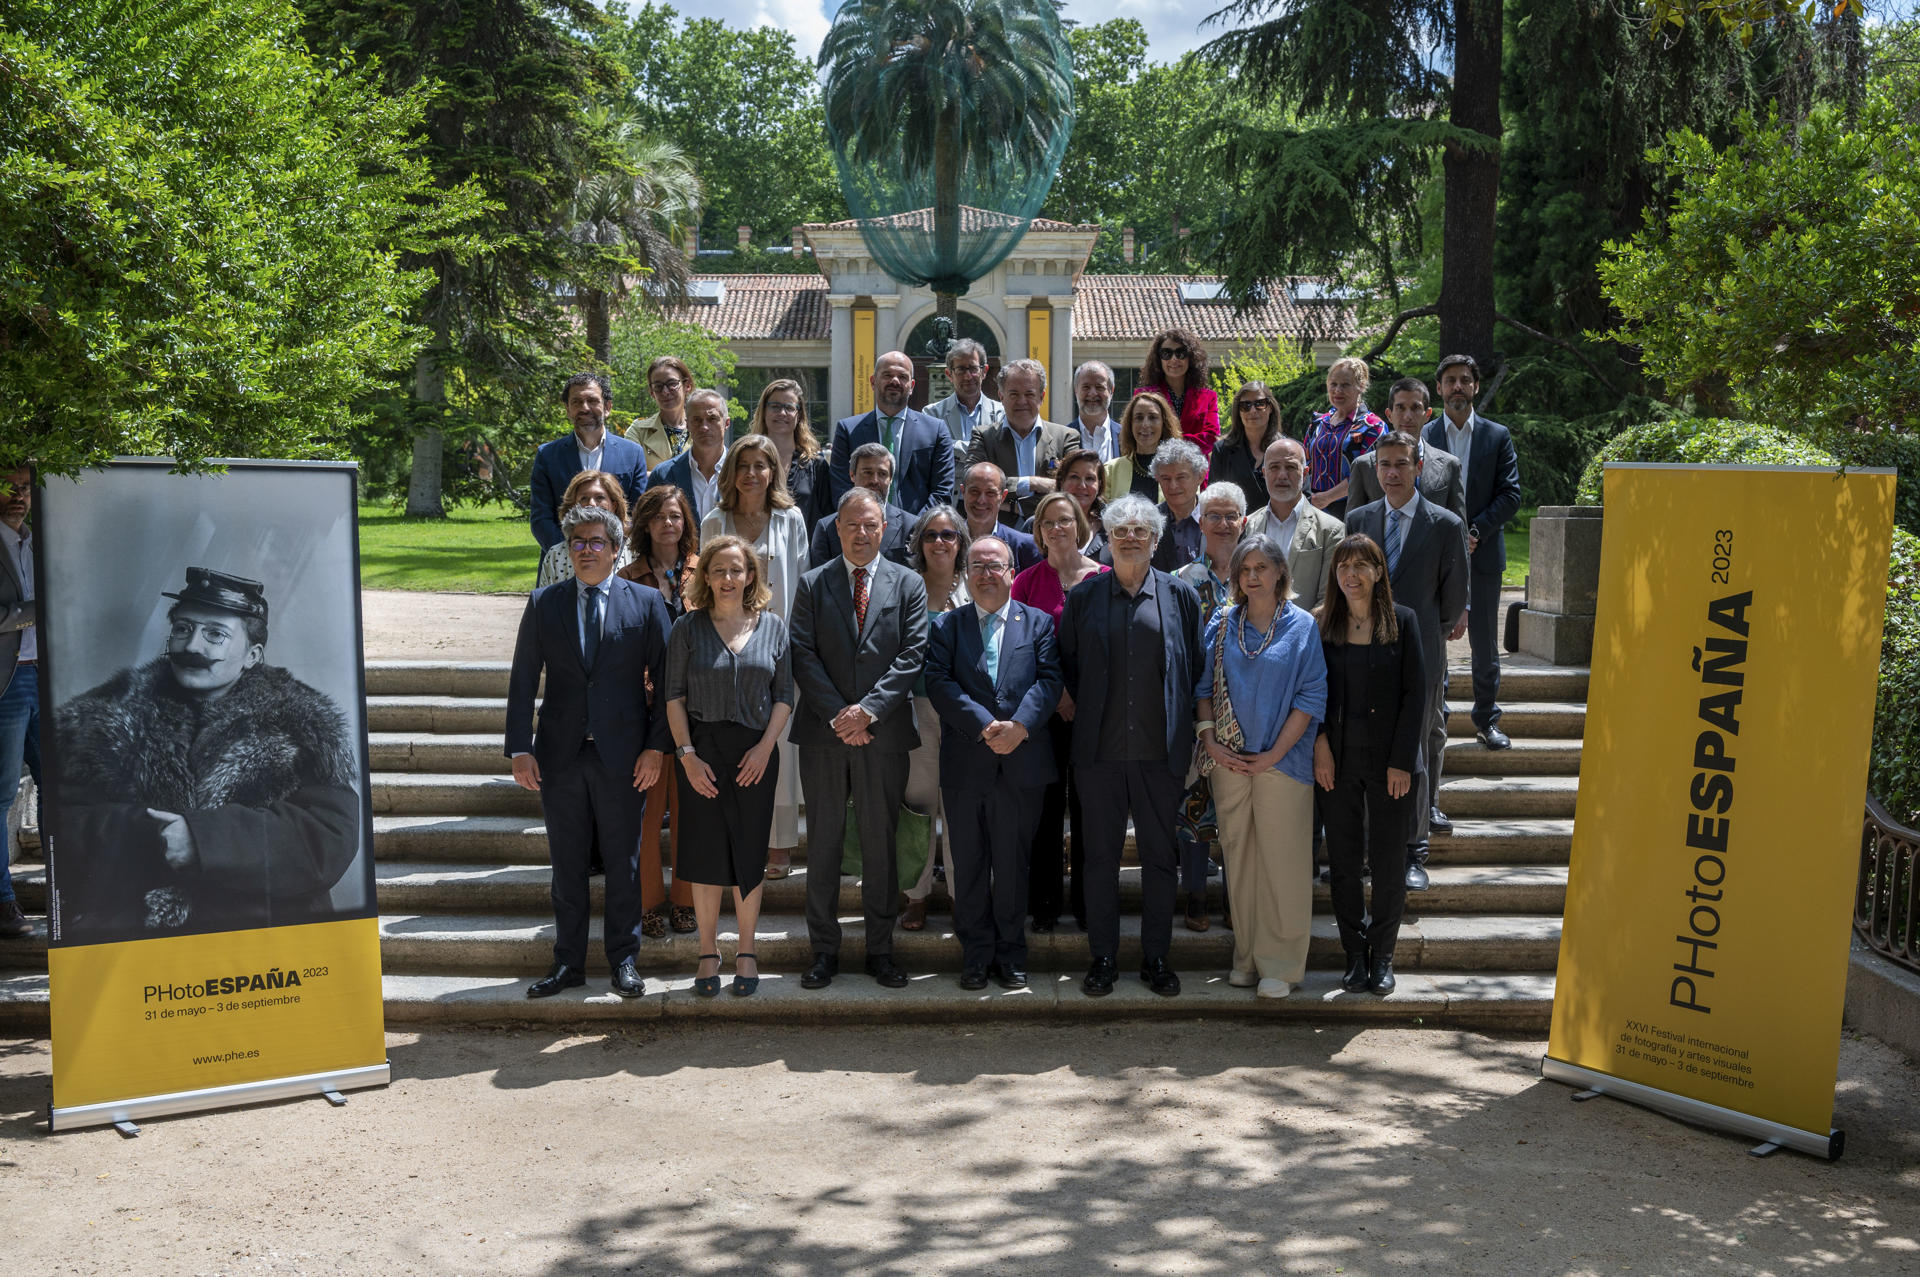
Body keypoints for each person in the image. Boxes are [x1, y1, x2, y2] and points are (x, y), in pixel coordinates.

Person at [54, 568, 359, 945]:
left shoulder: (302, 724)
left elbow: (328, 838)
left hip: (265, 946)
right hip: (139, 947)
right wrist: (150, 836)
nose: (192, 646)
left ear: (252, 655)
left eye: (215, 634)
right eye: (183, 629)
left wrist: (205, 842)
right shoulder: (104, 716)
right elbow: (64, 824)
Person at [507, 507, 671, 998]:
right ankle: (567, 964)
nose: (585, 549)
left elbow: (667, 685)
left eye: (596, 541)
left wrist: (656, 748)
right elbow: (521, 682)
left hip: (624, 757)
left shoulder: (644, 603)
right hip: (560, 756)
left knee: (624, 863)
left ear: (615, 549)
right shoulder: (544, 603)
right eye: (577, 541)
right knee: (567, 865)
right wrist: (519, 747)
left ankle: (624, 959)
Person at [1059, 494, 1204, 997]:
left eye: (1141, 530)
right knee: (1098, 858)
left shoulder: (1180, 596)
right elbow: (1067, 668)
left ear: (1155, 539)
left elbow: (1195, 670)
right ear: (1108, 537)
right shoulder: (1084, 597)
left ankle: (1156, 957)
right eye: (1121, 529)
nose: (1130, 536)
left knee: (1161, 859)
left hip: (1160, 754)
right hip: (1097, 754)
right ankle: (1102, 958)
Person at [790, 487, 930, 990]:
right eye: (853, 524)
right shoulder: (811, 584)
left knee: (880, 846)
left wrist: (868, 712)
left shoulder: (908, 584)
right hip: (825, 736)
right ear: (836, 528)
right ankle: (824, 951)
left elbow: (912, 654)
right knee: (823, 846)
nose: (863, 532)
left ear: (885, 528)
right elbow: (801, 654)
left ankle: (880, 949)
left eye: (871, 524)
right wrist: (840, 716)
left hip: (884, 735)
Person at [925, 536, 1063, 990]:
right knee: (968, 864)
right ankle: (976, 955)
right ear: (966, 573)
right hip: (967, 763)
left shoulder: (1039, 624)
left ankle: (1010, 954)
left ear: (1011, 571)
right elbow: (939, 683)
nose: (987, 573)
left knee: (1012, 864)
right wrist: (986, 726)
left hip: (1022, 764)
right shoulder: (947, 626)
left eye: (995, 565)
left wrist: (1019, 727)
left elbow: (1049, 681)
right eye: (978, 565)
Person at [1195, 534, 1327, 999]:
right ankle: (1247, 958)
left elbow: (1312, 697)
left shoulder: (1301, 627)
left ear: (1280, 574)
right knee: (1241, 861)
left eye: (1261, 568)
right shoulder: (1222, 622)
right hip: (1228, 761)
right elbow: (1202, 688)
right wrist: (1210, 742)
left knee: (1283, 863)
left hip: (1283, 762)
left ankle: (1282, 965)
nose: (1252, 577)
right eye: (1244, 570)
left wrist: (1272, 754)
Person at [664, 535, 795, 998]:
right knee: (703, 855)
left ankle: (745, 949)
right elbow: (673, 697)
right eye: (718, 570)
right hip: (701, 753)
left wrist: (764, 749)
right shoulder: (687, 628)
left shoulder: (774, 627)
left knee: (749, 854)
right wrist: (687, 757)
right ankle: (706, 950)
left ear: (751, 575)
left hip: (755, 755)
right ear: (705, 577)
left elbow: (784, 697)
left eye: (736, 569)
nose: (727, 578)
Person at [1343, 431, 1468, 892]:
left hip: (1419, 655)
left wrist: (1421, 637)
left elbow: (1453, 602)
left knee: (1413, 747)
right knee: (1364, 746)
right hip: (1361, 652)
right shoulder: (1358, 519)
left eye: (1401, 463)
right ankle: (1369, 847)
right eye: (1384, 465)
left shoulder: (1445, 524)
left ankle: (1414, 849)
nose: (1392, 473)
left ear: (1418, 466)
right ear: (1375, 469)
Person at [1313, 534, 1426, 997]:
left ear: (1379, 572)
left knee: (1387, 862)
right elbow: (1312, 692)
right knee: (1342, 862)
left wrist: (1402, 761)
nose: (1351, 575)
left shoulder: (1403, 622)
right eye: (1343, 566)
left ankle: (1383, 956)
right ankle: (1354, 955)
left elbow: (1415, 695)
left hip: (1389, 765)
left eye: (1362, 566)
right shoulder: (1323, 626)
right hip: (1336, 762)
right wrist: (1320, 745)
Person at [702, 434, 810, 882]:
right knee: (730, 742)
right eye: (743, 465)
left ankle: (780, 843)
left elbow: (802, 585)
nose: (751, 473)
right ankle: (734, 836)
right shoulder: (714, 520)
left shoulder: (791, 519)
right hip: (726, 643)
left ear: (773, 473)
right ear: (732, 472)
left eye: (760, 466)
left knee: (778, 746)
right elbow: (703, 585)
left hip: (776, 645)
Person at [1011, 491, 1109, 933]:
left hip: (1096, 715)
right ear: (1038, 530)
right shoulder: (1026, 582)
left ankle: (1090, 906)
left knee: (1091, 810)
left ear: (1080, 525)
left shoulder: (1105, 578)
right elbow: (1019, 649)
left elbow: (1112, 649)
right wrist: (1057, 696)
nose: (1057, 528)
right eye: (1048, 521)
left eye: (1065, 520)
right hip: (1042, 715)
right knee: (1045, 812)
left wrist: (1079, 695)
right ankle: (1045, 905)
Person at [1422, 354, 1523, 750]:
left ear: (1476, 387)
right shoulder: (1426, 437)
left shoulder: (1496, 436)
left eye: (1465, 379)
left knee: (1484, 643)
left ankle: (1486, 719)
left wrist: (1474, 530)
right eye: (1450, 380)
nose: (1458, 386)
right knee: (1435, 637)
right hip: (1433, 556)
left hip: (1482, 555)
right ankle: (1437, 717)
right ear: (1440, 388)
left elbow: (1511, 494)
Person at [617, 483, 700, 936]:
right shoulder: (627, 578)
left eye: (676, 516)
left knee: (689, 813)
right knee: (647, 815)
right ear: (644, 524)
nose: (668, 524)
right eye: (659, 517)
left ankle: (685, 901)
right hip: (647, 711)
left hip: (696, 709)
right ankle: (648, 902)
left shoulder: (703, 571)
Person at [1173, 481, 1246, 932]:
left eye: (1230, 515)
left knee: (1240, 812)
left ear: (1243, 520)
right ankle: (1196, 893)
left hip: (1250, 713)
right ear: (1200, 522)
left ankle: (1237, 897)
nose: (1222, 524)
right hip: (1195, 714)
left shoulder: (1259, 572)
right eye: (1213, 516)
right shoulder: (1184, 581)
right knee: (1193, 806)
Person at [899, 505, 970, 930]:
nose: (939, 542)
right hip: (916, 711)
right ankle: (917, 895)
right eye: (930, 535)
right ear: (918, 543)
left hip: (964, 714)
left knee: (960, 808)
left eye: (948, 534)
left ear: (960, 542)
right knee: (920, 806)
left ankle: (964, 894)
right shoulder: (905, 588)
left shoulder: (976, 585)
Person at [531, 372, 651, 554]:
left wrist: (612, 551)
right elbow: (541, 518)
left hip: (617, 563)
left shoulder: (632, 454)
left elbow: (637, 514)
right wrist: (571, 553)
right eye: (577, 402)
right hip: (563, 561)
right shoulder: (547, 455)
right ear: (568, 409)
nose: (584, 408)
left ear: (607, 407)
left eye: (593, 401)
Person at [828, 350, 956, 514]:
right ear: (873, 382)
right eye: (887, 375)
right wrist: (868, 523)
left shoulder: (936, 431)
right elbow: (840, 489)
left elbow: (942, 492)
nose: (894, 381)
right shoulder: (848, 431)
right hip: (864, 530)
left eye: (902, 377)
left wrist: (912, 529)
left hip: (917, 533)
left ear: (912, 386)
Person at [965, 358, 1082, 522]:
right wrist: (1031, 483)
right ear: (1001, 396)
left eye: (1029, 394)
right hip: (998, 535)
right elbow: (972, 482)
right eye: (1014, 394)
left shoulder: (1066, 437)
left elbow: (1073, 488)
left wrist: (1014, 506)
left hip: (1052, 534)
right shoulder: (984, 437)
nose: (1021, 401)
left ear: (1041, 397)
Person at [1349, 377, 1469, 534]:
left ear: (1428, 414)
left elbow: (1459, 529)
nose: (1407, 416)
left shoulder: (1449, 465)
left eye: (1415, 408)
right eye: (1400, 407)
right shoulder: (1363, 465)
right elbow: (1353, 528)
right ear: (1389, 414)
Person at [1246, 437, 1347, 617]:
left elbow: (1328, 599)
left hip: (1307, 638)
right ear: (1264, 472)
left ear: (1306, 472)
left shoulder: (1331, 530)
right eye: (1274, 467)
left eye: (1291, 467)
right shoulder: (1247, 525)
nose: (1282, 475)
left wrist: (1295, 637)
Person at [0, 466, 37, 940]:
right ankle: (4, 903)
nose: (16, 496)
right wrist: (31, 614)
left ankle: (69, 891)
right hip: (6, 685)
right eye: (7, 486)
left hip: (46, 679)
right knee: (3, 796)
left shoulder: (36, 542)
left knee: (61, 788)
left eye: (24, 488)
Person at [1304, 357, 1387, 520]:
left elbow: (1368, 472)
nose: (1337, 390)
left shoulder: (1373, 427)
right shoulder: (1317, 424)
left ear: (1361, 386)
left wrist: (1327, 497)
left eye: (1345, 385)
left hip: (1354, 510)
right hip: (1311, 508)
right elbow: (1304, 463)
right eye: (1333, 384)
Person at [810, 443, 914, 568]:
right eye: (867, 473)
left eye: (882, 474)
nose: (874, 480)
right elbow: (820, 580)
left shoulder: (910, 526)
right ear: (852, 475)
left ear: (891, 479)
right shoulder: (827, 528)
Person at [752, 378, 835, 529]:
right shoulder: (748, 462)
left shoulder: (816, 465)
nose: (782, 413)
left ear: (799, 415)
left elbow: (827, 520)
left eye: (789, 407)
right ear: (764, 411)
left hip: (805, 551)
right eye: (775, 406)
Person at [535, 470, 633, 588]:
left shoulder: (634, 551)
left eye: (599, 498)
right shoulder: (556, 555)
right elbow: (545, 603)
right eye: (584, 498)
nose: (591, 504)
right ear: (572, 506)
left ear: (615, 505)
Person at [645, 388, 730, 523]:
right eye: (697, 420)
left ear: (726, 423)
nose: (704, 427)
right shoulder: (663, 475)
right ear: (687, 424)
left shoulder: (742, 472)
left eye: (712, 418)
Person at [1135, 329, 1220, 457]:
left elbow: (1211, 438)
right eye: (1166, 353)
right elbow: (1141, 436)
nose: (1174, 359)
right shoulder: (1143, 396)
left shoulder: (1208, 397)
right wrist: (1188, 440)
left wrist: (1167, 440)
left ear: (1191, 357)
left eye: (1180, 353)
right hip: (1155, 469)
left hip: (1196, 472)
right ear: (1159, 359)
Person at [1023, 447, 1108, 562]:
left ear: (1099, 484)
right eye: (1074, 477)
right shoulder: (1034, 525)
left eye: (1089, 478)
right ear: (1061, 481)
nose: (1082, 486)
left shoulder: (1111, 527)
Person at [1210, 381, 1285, 512]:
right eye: (1245, 405)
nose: (1252, 410)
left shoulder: (1288, 449)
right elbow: (1213, 498)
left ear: (1271, 407)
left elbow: (1301, 497)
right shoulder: (1222, 450)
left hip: (1280, 527)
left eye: (1260, 404)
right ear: (1238, 411)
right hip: (1235, 528)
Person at [922, 339, 1004, 449]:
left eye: (973, 369)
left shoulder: (1002, 413)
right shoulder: (932, 414)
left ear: (984, 371)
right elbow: (932, 450)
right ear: (949, 374)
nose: (968, 376)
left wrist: (951, 446)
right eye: (961, 369)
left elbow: (1002, 450)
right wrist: (983, 448)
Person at [957, 462, 1041, 570]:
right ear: (963, 492)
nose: (981, 500)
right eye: (974, 491)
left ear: (1003, 496)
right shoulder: (948, 542)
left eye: (990, 493)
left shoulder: (1024, 547)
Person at [1103, 390, 1180, 504]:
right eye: (1139, 418)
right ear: (1130, 424)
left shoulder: (1181, 469)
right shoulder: (1110, 470)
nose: (1145, 424)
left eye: (1153, 417)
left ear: (1164, 424)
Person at [623, 355, 694, 470]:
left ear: (687, 386)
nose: (665, 392)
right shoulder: (638, 431)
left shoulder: (703, 427)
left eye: (672, 384)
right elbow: (632, 476)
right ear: (652, 392)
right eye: (658, 386)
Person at [1149, 439, 1208, 574]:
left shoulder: (1216, 518)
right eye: (1166, 478)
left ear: (1200, 476)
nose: (1173, 486)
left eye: (1181, 477)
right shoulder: (1148, 521)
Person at [1070, 361, 1121, 462]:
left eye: (1099, 387)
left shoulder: (1126, 437)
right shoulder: (1062, 438)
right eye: (1086, 387)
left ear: (1111, 391)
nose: (1092, 393)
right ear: (1076, 390)